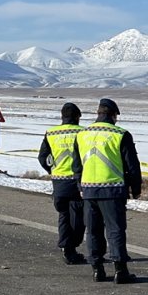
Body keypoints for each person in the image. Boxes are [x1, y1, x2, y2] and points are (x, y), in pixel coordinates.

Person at [72, 98, 142, 284]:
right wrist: (136, 188)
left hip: (88, 191)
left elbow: (76, 165)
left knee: (93, 231)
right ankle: (120, 271)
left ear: (98, 113)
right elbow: (132, 165)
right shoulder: (120, 134)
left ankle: (97, 270)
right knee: (115, 230)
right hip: (113, 191)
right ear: (113, 115)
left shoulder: (82, 134)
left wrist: (80, 186)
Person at [37, 102, 86, 265]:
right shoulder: (83, 132)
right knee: (79, 216)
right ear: (77, 117)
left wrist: (52, 170)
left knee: (64, 215)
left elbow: (42, 157)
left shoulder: (51, 133)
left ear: (62, 117)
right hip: (78, 181)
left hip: (58, 182)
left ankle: (66, 248)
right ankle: (71, 248)